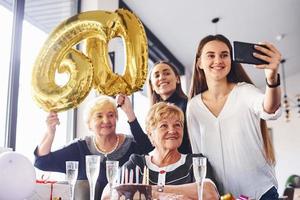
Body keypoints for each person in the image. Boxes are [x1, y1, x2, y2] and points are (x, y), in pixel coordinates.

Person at [187, 34, 282, 199]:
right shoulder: (194, 107)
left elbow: (270, 107)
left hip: (261, 194)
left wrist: (272, 77)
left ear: (231, 61)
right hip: (221, 197)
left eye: (224, 55)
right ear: (199, 63)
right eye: (211, 55)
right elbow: (197, 157)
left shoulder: (244, 92)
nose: (218, 60)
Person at [34, 96, 147, 199]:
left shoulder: (132, 145)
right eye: (99, 116)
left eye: (111, 115)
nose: (106, 120)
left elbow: (149, 148)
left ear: (116, 119)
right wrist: (50, 132)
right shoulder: (79, 148)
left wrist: (129, 112)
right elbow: (42, 162)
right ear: (89, 123)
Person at [102, 102, 219, 200]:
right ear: (150, 134)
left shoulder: (194, 162)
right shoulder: (137, 163)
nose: (172, 130)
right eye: (164, 126)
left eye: (177, 125)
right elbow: (108, 194)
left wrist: (151, 191)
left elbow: (210, 193)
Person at [117, 60, 192, 154]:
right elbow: (148, 147)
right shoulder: (154, 112)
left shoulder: (190, 106)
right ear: (152, 85)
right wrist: (129, 112)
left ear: (177, 79)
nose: (162, 78)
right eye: (157, 76)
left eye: (167, 73)